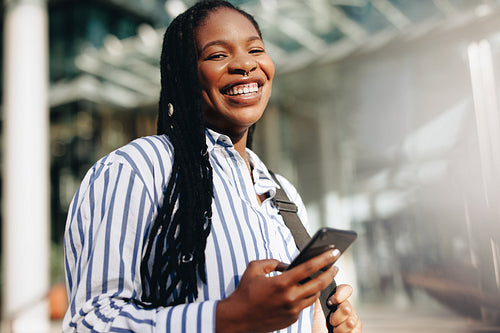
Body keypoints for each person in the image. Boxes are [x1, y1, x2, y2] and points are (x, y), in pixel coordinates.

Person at [63, 1, 362, 332]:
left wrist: (324, 320)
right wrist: (228, 317)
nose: (245, 64)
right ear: (184, 76)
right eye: (218, 55)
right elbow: (90, 321)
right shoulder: (139, 168)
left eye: (255, 49)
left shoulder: (282, 195)